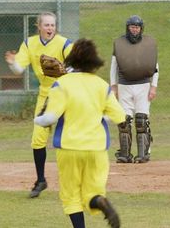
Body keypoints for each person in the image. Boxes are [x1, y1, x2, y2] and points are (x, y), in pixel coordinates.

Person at [34, 38, 125, 228]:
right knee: (92, 192)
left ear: (72, 59)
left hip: (69, 147)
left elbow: (50, 118)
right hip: (97, 149)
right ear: (94, 62)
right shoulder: (101, 85)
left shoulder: (62, 84)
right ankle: (100, 201)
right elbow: (119, 116)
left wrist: (37, 119)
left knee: (71, 195)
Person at [4, 12, 73, 198]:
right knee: (38, 139)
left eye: (53, 25)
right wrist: (12, 63)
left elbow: (77, 64)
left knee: (71, 137)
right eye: (47, 25)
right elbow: (19, 68)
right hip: (46, 94)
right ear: (39, 26)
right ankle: (41, 180)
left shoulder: (64, 43)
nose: (50, 28)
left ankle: (76, 179)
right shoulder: (29, 43)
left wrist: (65, 71)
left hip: (66, 92)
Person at [110, 15, 159, 163]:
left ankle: (143, 154)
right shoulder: (120, 43)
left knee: (141, 120)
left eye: (137, 27)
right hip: (125, 85)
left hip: (143, 85)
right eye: (132, 27)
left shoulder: (148, 44)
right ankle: (125, 154)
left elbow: (155, 66)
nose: (134, 29)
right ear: (128, 28)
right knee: (124, 121)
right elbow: (114, 66)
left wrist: (154, 87)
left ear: (141, 28)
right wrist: (114, 86)